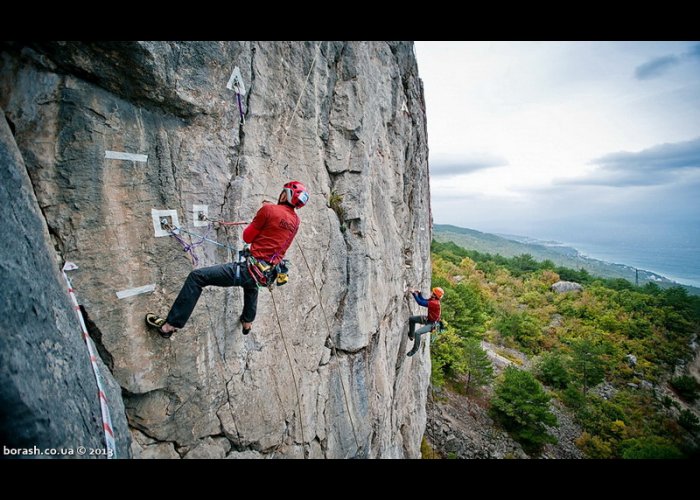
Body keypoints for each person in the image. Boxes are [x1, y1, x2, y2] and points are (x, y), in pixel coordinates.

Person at [146, 181, 309, 338]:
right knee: (252, 284)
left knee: (197, 277)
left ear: (285, 195)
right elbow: (279, 228)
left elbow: (247, 237)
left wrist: (261, 215)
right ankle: (248, 322)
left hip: (249, 269)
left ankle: (170, 326)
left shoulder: (268, 210)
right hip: (267, 272)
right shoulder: (295, 221)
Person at [406, 287, 444, 357]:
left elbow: (420, 303)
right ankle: (411, 335)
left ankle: (415, 349)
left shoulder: (435, 303)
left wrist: (413, 293)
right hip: (428, 319)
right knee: (412, 319)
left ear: (434, 295)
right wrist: (419, 293)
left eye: (432, 292)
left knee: (417, 333)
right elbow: (423, 300)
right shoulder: (433, 300)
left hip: (432, 324)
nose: (431, 292)